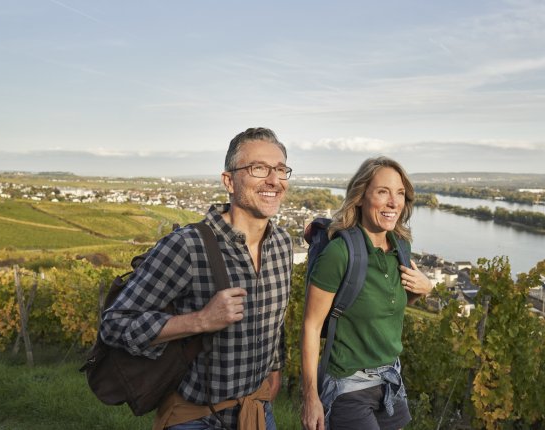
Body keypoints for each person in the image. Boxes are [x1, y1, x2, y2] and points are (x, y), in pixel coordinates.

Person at [100, 127, 293, 430]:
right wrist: (200, 320)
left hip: (257, 412)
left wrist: (274, 370)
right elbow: (114, 325)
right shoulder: (187, 245)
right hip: (197, 418)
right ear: (228, 180)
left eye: (281, 169)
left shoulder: (282, 245)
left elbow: (275, 324)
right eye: (259, 168)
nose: (274, 180)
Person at [300, 156, 434, 430]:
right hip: (349, 383)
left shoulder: (401, 247)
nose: (394, 202)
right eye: (383, 192)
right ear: (360, 197)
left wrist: (425, 289)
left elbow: (385, 305)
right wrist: (310, 396)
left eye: (399, 193)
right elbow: (311, 326)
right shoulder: (340, 253)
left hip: (390, 380)